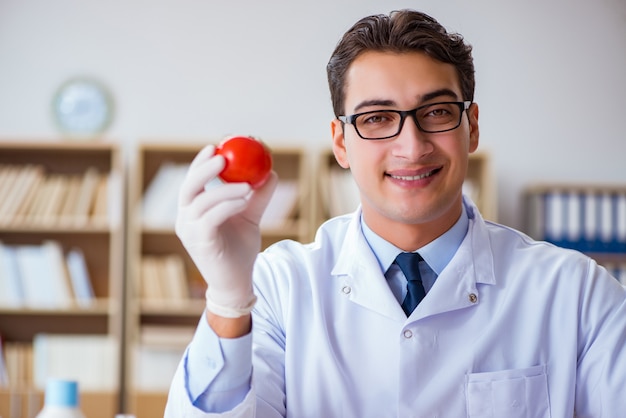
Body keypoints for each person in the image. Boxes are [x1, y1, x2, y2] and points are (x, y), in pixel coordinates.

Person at [165, 9, 626, 417]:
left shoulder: (579, 293)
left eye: (438, 111)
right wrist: (227, 300)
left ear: (472, 128)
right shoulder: (280, 288)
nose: (412, 146)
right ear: (341, 142)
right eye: (377, 118)